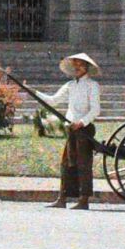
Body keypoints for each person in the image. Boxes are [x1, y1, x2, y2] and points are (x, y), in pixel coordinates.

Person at [46, 52, 102, 209]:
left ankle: (84, 199)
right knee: (67, 163)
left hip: (84, 129)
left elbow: (95, 110)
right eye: (75, 65)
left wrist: (82, 122)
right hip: (71, 128)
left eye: (80, 65)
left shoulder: (92, 86)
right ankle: (62, 198)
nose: (77, 68)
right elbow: (53, 100)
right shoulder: (70, 86)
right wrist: (31, 91)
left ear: (86, 68)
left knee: (83, 163)